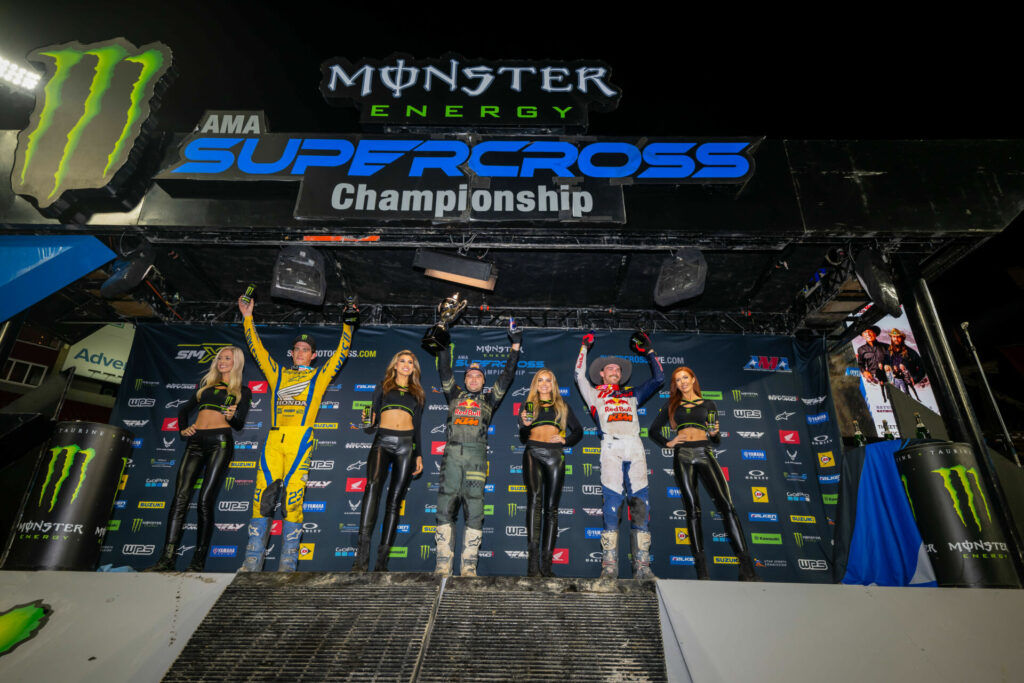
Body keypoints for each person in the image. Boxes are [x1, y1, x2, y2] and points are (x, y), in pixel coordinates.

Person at [237, 296, 358, 572]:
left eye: (306, 349)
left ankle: (287, 567)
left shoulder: (319, 376)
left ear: (314, 355)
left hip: (301, 440)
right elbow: (256, 349)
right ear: (291, 353)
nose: (301, 352)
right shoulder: (277, 373)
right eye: (297, 349)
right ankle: (252, 562)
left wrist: (348, 325)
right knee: (261, 498)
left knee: (293, 500)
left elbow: (341, 353)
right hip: (274, 439)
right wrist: (247, 317)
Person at [146, 346, 251, 572]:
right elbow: (183, 411)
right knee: (180, 499)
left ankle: (197, 562)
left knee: (204, 501)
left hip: (220, 444)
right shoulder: (205, 388)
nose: (222, 361)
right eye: (220, 358)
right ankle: (167, 559)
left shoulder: (241, 390)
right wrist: (183, 429)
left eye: (227, 358)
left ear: (237, 363)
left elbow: (239, 424)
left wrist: (232, 417)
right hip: (194, 444)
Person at [649, 366, 759, 581]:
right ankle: (702, 571)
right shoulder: (672, 405)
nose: (682, 382)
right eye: (678, 379)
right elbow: (653, 430)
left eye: (685, 378)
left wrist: (715, 434)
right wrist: (668, 442)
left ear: (693, 379)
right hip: (682, 456)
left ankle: (747, 567)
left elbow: (715, 438)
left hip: (704, 452)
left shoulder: (709, 404)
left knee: (727, 506)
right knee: (692, 510)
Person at [433, 321, 522, 577]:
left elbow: (507, 376)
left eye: (478, 376)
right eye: (470, 375)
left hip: (476, 459)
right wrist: (442, 336)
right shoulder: (454, 395)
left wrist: (515, 346)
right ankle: (443, 563)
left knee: (475, 509)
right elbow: (444, 368)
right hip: (451, 457)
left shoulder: (489, 399)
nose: (473, 378)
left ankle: (469, 564)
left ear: (483, 381)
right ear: (464, 380)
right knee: (444, 507)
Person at [575, 330, 664, 579]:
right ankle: (609, 567)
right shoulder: (593, 394)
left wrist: (649, 351)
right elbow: (578, 375)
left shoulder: (632, 394)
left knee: (640, 506)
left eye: (617, 370)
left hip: (634, 447)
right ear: (601, 373)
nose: (614, 371)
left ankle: (643, 568)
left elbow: (658, 379)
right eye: (609, 369)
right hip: (611, 447)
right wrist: (584, 348)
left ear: (621, 375)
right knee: (612, 506)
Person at [351, 350, 425, 572]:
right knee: (372, 489)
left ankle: (381, 563)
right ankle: (361, 560)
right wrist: (368, 421)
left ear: (414, 368)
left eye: (409, 362)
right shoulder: (383, 385)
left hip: (406, 445)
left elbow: (418, 427)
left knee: (394, 501)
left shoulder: (418, 393)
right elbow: (370, 420)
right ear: (395, 365)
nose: (405, 364)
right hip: (382, 440)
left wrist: (419, 454)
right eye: (401, 361)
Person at [516, 369, 583, 576]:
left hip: (555, 455)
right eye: (540, 380)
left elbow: (578, 431)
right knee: (534, 502)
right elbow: (522, 437)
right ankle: (532, 564)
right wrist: (525, 426)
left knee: (551, 508)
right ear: (535, 384)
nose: (544, 384)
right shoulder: (528, 406)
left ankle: (546, 565)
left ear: (553, 384)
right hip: (532, 453)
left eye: (548, 380)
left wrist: (566, 440)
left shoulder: (562, 406)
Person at [886, 328, 927, 394]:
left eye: (898, 337)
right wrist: (890, 380)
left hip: (910, 385)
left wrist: (914, 379)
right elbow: (886, 367)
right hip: (896, 385)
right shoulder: (888, 352)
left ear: (902, 338)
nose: (896, 339)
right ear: (891, 338)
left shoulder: (910, 352)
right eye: (894, 337)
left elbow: (922, 367)